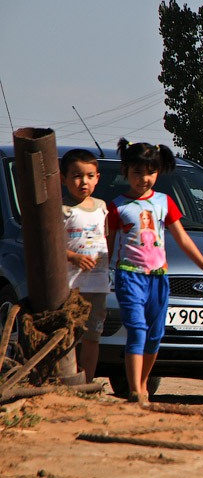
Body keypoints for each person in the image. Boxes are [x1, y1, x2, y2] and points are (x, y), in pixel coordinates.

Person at [107, 139, 203, 404]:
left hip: (159, 278)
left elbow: (183, 240)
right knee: (137, 329)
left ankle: (143, 382)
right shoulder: (117, 206)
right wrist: (101, 274)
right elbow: (108, 246)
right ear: (126, 171)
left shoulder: (164, 202)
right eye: (137, 172)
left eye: (150, 172)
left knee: (155, 334)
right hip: (130, 276)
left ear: (157, 172)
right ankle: (135, 390)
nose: (144, 178)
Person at [60, 149, 109, 383]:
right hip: (70, 286)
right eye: (77, 176)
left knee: (92, 336)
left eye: (90, 176)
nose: (84, 182)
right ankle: (68, 381)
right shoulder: (61, 209)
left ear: (97, 177)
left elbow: (106, 239)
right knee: (68, 335)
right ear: (63, 178)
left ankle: (87, 382)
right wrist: (72, 257)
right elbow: (50, 246)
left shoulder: (101, 207)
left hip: (97, 285)